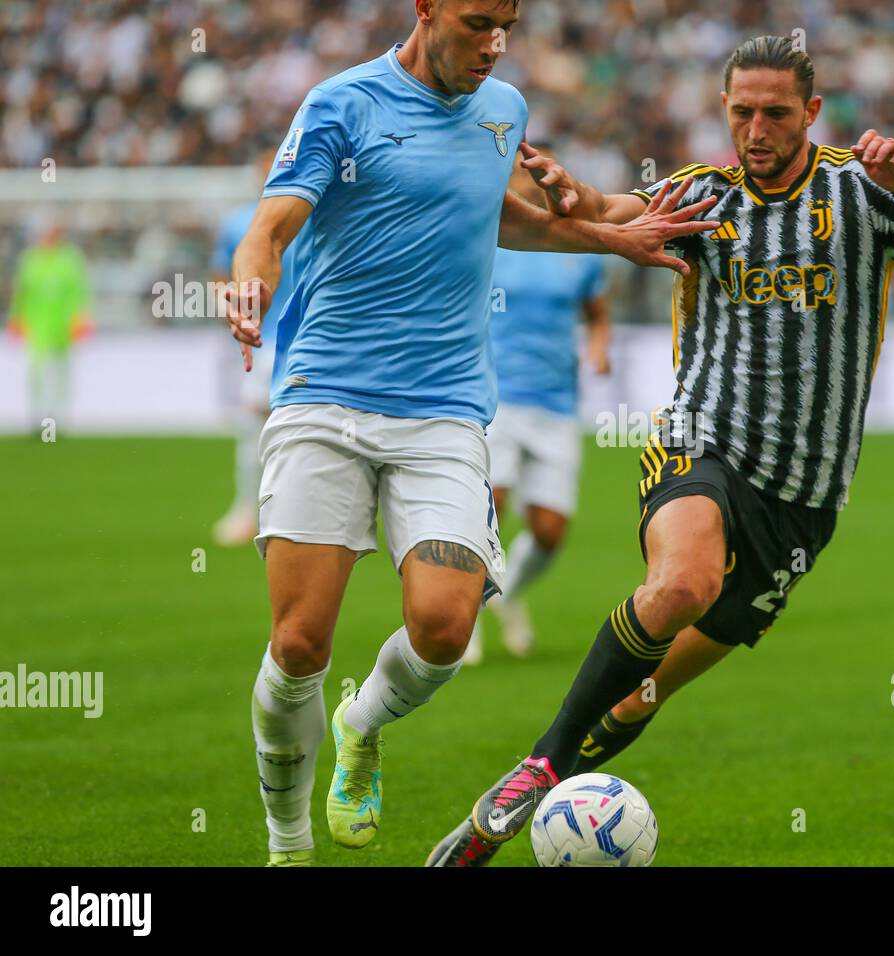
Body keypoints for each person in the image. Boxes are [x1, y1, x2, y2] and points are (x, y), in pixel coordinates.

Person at [426, 34, 894, 867]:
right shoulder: (703, 195)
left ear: (812, 113)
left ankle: (528, 807)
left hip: (805, 500)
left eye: (776, 113)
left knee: (637, 697)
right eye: (741, 112)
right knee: (682, 583)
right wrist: (573, 198)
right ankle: (534, 773)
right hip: (700, 443)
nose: (757, 129)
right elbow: (615, 215)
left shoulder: (862, 191)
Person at [222, 0, 720, 866]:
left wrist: (613, 238)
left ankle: (362, 723)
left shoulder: (504, 110)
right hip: (325, 397)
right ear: (425, 9)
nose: (495, 43)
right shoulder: (343, 104)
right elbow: (272, 224)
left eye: (509, 26)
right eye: (478, 22)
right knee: (300, 642)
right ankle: (288, 841)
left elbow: (500, 215)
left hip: (446, 408)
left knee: (447, 629)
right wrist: (248, 284)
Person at [465, 143, 611, 664]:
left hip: (556, 401)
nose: (529, 185)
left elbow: (596, 310)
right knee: (491, 508)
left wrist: (598, 346)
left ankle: (506, 594)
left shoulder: (573, 247)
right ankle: (466, 616)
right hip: (495, 396)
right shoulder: (491, 238)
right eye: (520, 177)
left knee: (549, 531)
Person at [210, 147, 307, 547]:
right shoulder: (238, 222)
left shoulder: (313, 214)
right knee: (253, 428)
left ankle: (295, 512)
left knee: (307, 432)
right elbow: (219, 277)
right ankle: (247, 508)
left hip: (311, 338)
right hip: (264, 342)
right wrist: (230, 310)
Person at [7, 220, 91, 434]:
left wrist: (81, 318)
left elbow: (79, 292)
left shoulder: (69, 260)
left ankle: (59, 419)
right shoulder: (31, 260)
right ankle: (39, 417)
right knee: (38, 373)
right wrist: (16, 318)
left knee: (61, 373)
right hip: (38, 327)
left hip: (63, 327)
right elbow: (21, 293)